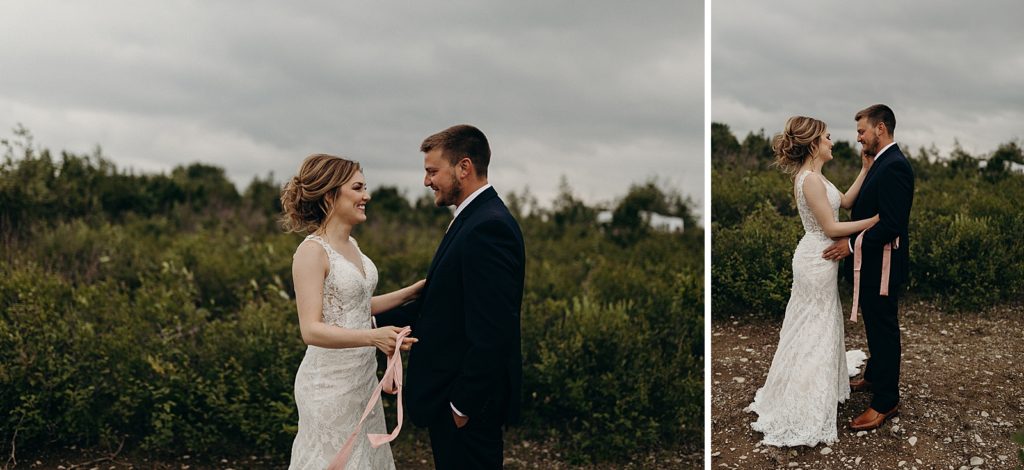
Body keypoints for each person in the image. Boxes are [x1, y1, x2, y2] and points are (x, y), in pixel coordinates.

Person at [375, 124, 525, 469]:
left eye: (432, 171)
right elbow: (444, 310)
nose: (426, 181)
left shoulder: (489, 227)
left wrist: (462, 406)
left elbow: (493, 329)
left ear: (464, 167)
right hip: (453, 400)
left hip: (467, 406)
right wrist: (363, 326)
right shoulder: (471, 219)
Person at [281, 154, 424, 469]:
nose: (366, 196)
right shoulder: (311, 252)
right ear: (331, 195)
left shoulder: (353, 245)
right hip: (329, 385)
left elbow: (355, 307)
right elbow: (311, 329)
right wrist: (373, 337)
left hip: (361, 379)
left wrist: (412, 292)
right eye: (358, 188)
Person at [746, 116, 878, 447]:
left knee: (816, 321)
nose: (833, 142)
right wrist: (876, 221)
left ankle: (813, 384)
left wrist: (864, 169)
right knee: (814, 324)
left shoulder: (817, 177)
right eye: (828, 137)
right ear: (815, 144)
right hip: (817, 258)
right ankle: (803, 397)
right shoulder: (810, 181)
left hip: (820, 255)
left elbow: (844, 203)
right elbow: (832, 229)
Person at [822, 104, 914, 431]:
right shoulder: (880, 162)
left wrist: (848, 245)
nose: (859, 137)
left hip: (882, 266)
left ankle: (886, 401)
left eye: (862, 131)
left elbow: (891, 224)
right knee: (874, 325)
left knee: (884, 328)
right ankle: (876, 377)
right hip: (872, 264)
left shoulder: (896, 166)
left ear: (880, 128)